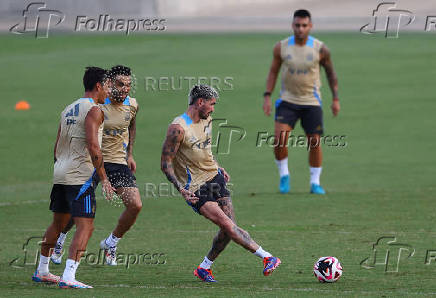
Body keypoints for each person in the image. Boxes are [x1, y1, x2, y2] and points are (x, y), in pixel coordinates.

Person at [161, 84, 281, 282]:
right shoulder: (178, 128)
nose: (213, 109)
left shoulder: (207, 120)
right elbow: (165, 163)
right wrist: (180, 189)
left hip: (214, 178)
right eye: (211, 104)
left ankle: (204, 268)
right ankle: (267, 257)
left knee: (229, 229)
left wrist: (217, 166)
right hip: (196, 189)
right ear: (200, 102)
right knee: (227, 224)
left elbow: (204, 150)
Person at [32, 67, 115, 289]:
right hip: (80, 176)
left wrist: (60, 166)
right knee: (86, 226)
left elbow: (57, 144)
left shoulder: (67, 108)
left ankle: (42, 270)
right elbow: (93, 145)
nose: (109, 90)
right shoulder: (95, 110)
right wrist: (103, 177)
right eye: (107, 85)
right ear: (98, 86)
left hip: (60, 172)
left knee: (58, 223)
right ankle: (69, 275)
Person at [50, 65, 141, 266]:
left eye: (128, 85)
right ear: (108, 84)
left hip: (117, 161)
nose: (125, 89)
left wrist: (130, 154)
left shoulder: (132, 104)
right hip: (91, 161)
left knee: (135, 205)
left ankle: (111, 243)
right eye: (120, 84)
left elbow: (132, 125)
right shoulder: (97, 105)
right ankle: (61, 240)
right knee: (79, 209)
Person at [262, 9, 340, 194]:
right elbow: (273, 72)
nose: (300, 29)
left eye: (304, 25)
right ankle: (284, 175)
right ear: (292, 25)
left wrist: (335, 98)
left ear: (310, 26)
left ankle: (315, 182)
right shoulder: (281, 47)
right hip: (287, 100)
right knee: (280, 140)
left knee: (314, 142)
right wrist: (267, 95)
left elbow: (331, 74)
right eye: (297, 25)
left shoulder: (320, 49)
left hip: (311, 102)